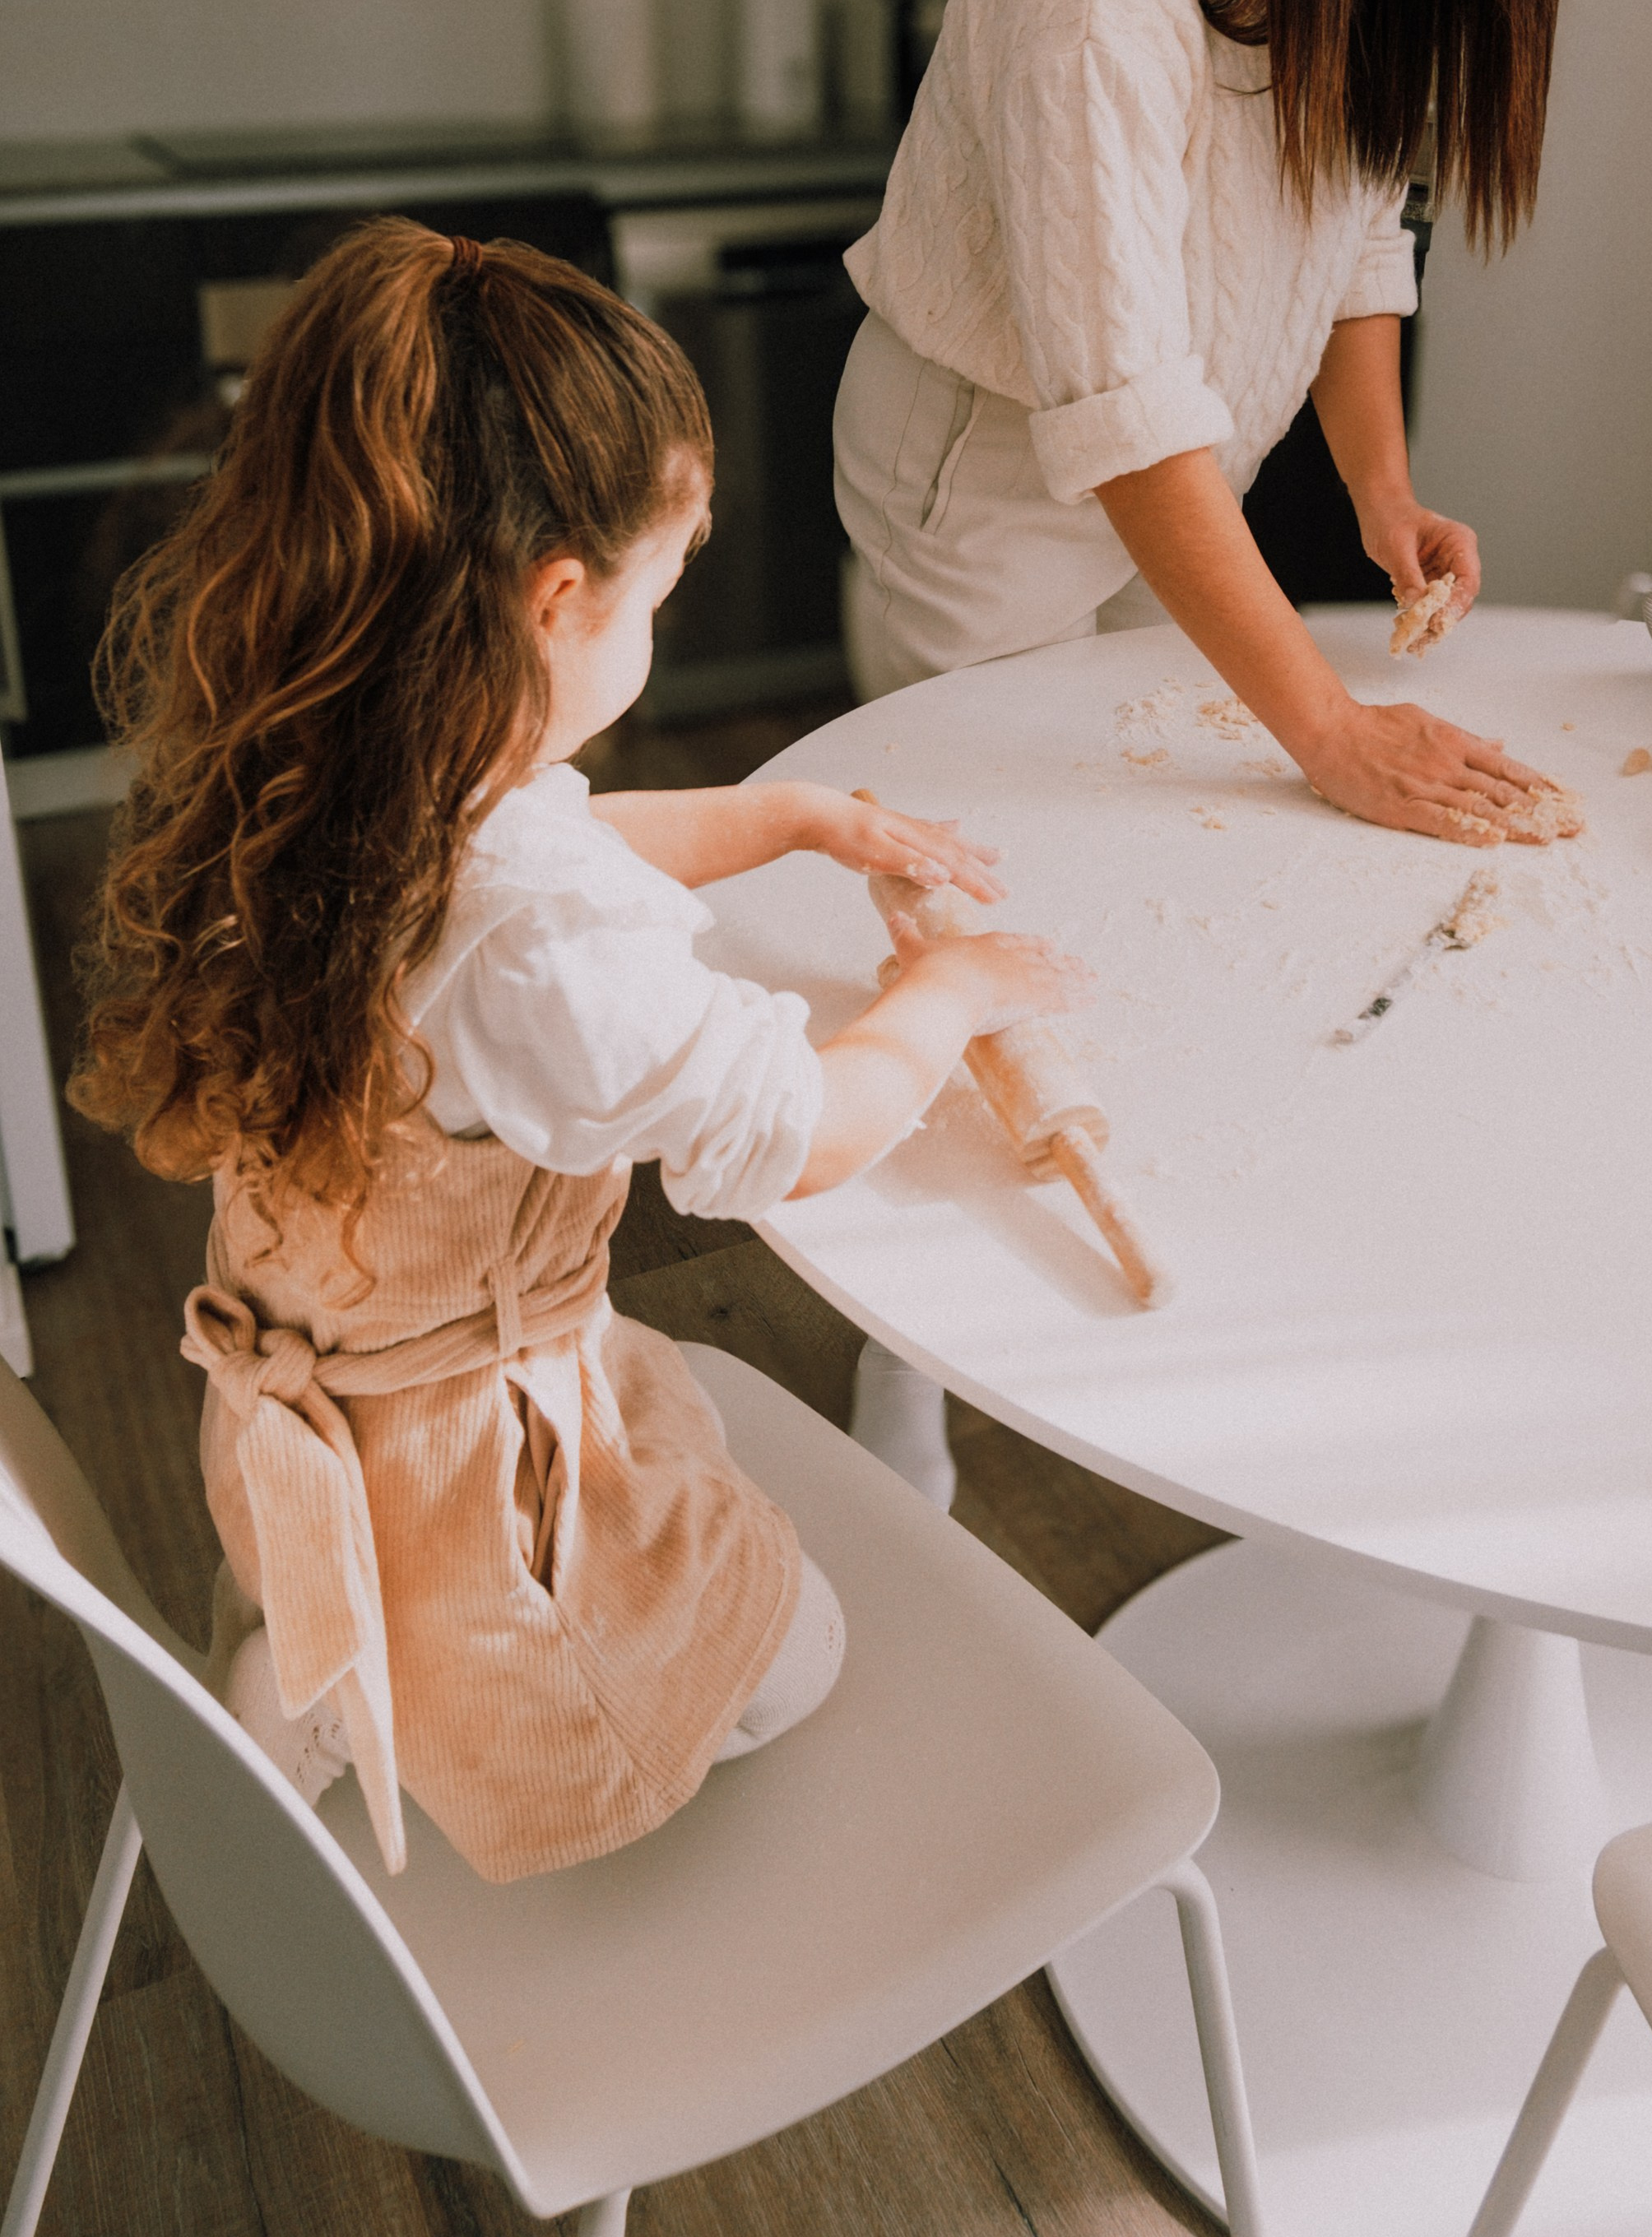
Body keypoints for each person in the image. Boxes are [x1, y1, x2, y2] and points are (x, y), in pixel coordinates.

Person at [72, 216, 1083, 1884]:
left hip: (308, 1415)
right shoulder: (542, 945)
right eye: (660, 592)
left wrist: (784, 814)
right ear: (560, 598)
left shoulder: (330, 762)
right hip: (481, 1508)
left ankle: (316, 1651)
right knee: (803, 1647)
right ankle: (384, 1693)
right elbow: (803, 1124)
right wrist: (947, 996)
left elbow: (558, 841)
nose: (658, 627)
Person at [837, 0, 1588, 850]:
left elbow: (1356, 238)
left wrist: (1382, 489)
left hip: (1180, 489)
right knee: (1007, 852)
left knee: (1167, 835)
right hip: (990, 495)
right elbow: (1124, 403)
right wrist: (1335, 732)